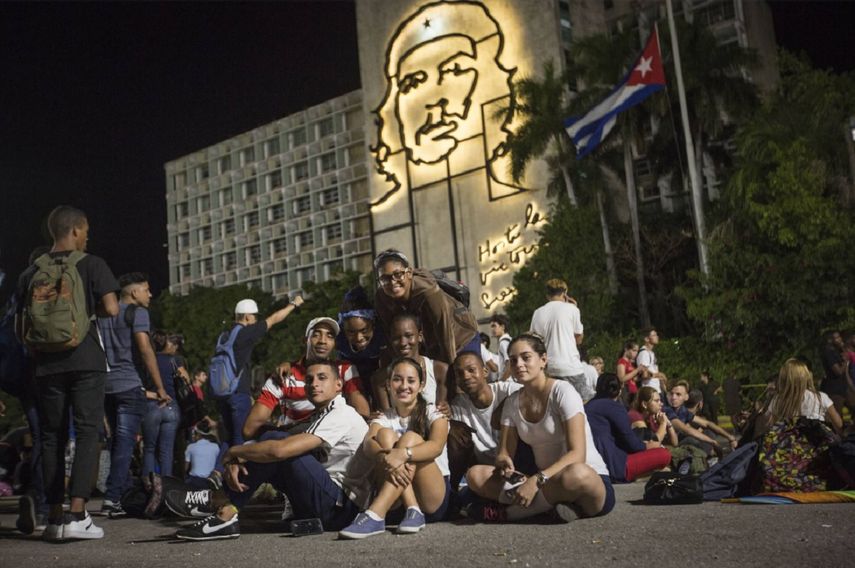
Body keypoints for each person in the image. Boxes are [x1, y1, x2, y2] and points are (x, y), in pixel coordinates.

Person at [165, 360, 372, 540]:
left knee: (278, 445)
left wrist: (234, 452)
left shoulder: (341, 414)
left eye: (322, 378)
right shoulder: (320, 416)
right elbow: (269, 440)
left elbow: (280, 450)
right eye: (309, 380)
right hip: (325, 502)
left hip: (340, 509)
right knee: (271, 438)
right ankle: (225, 509)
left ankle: (218, 502)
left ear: (338, 385)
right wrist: (240, 459)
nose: (314, 384)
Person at [15, 205, 119, 540]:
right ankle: (78, 515)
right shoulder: (92, 264)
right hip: (85, 358)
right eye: (86, 231)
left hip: (47, 365)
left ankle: (55, 517)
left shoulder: (30, 272)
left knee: (51, 436)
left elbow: (21, 324)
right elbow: (112, 308)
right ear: (75, 230)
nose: (87, 237)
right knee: (88, 432)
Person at [465, 333, 614, 522]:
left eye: (526, 357)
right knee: (475, 474)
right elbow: (504, 453)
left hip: (585, 481)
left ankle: (510, 514)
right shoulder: (511, 403)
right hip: (542, 484)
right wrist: (504, 462)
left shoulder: (563, 392)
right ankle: (549, 509)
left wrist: (537, 480)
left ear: (543, 360)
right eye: (513, 360)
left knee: (576, 474)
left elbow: (578, 455)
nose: (519, 364)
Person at [339, 357, 450, 538]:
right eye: (397, 379)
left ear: (421, 386)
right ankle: (412, 508)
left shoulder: (434, 413)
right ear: (388, 385)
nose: (404, 386)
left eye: (411, 380)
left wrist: (403, 454)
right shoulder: (383, 417)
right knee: (384, 435)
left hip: (431, 499)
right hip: (397, 505)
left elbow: (436, 447)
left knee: (410, 438)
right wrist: (386, 458)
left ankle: (376, 513)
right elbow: (368, 444)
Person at [97, 272, 170, 517]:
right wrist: (160, 387)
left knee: (115, 442)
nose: (150, 294)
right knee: (126, 443)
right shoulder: (137, 313)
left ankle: (121, 492)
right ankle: (113, 498)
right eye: (146, 289)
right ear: (134, 292)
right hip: (129, 385)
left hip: (105, 385)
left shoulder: (103, 313)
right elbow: (145, 349)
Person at [243, 317, 369, 441]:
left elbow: (362, 414)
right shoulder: (284, 376)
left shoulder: (345, 370)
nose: (323, 341)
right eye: (316, 335)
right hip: (293, 444)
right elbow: (249, 429)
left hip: (333, 443)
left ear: (334, 343)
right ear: (305, 340)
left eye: (330, 336)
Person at [214, 295, 303, 462]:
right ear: (247, 317)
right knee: (242, 438)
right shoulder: (245, 333)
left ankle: (217, 472)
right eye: (255, 316)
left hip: (222, 394)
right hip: (238, 394)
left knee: (228, 437)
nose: (256, 320)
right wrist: (293, 304)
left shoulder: (224, 336)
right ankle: (236, 473)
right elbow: (274, 319)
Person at [373, 249, 479, 366]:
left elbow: (444, 328)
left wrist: (451, 367)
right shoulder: (381, 297)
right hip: (430, 347)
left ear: (409, 273)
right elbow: (390, 334)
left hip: (460, 337)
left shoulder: (427, 291)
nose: (392, 282)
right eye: (384, 278)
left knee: (463, 372)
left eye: (398, 275)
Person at [443, 351, 525, 497]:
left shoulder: (509, 391)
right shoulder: (457, 405)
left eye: (471, 370)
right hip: (486, 472)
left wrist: (505, 407)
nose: (466, 376)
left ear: (485, 371)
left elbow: (536, 393)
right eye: (459, 374)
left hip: (517, 464)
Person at [585, 374, 671, 483]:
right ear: (619, 391)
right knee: (664, 454)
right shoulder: (615, 408)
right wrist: (648, 445)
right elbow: (633, 445)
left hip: (591, 462)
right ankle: (639, 476)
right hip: (614, 466)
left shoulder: (587, 406)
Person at [370, 313, 447, 411]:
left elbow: (443, 411)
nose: (403, 343)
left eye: (408, 336)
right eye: (396, 338)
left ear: (420, 336)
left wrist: (446, 409)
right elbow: (386, 416)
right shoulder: (381, 379)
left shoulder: (439, 370)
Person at [529, 279, 590, 401]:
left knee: (554, 406)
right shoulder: (572, 309)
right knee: (582, 404)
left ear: (547, 295)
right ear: (565, 293)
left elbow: (534, 341)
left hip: (550, 369)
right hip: (571, 367)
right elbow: (579, 339)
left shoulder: (538, 312)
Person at [141, 331, 187, 480]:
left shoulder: (146, 361)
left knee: (149, 448)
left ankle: (150, 482)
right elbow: (186, 380)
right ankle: (166, 485)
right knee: (167, 450)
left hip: (152, 404)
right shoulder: (174, 360)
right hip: (171, 405)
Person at [767, 358, 843, 435]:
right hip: (815, 440)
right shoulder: (820, 397)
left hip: (787, 441)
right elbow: (838, 424)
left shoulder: (777, 399)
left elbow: (772, 426)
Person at [666, 380, 737, 457]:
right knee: (692, 440)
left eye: (678, 394)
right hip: (667, 446)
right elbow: (686, 429)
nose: (673, 397)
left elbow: (707, 423)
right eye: (671, 394)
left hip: (677, 442)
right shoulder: (667, 410)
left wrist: (730, 437)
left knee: (708, 431)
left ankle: (706, 457)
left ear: (686, 397)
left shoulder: (683, 411)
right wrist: (713, 442)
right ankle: (704, 458)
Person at [336, 286, 385, 396]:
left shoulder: (383, 339)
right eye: (351, 332)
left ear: (373, 324)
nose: (358, 338)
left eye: (364, 330)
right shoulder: (340, 343)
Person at [820, 331, 852, 423]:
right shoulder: (828, 353)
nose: (840, 339)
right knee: (837, 419)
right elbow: (838, 371)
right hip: (835, 390)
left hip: (843, 389)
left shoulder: (837, 351)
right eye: (837, 338)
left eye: (839, 337)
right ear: (830, 340)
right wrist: (846, 361)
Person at [184, 422, 220, 490]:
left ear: (198, 434)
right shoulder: (216, 447)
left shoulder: (191, 447)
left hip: (194, 481)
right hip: (210, 481)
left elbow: (185, 468)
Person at [636, 328, 668, 394]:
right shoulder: (644, 353)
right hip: (649, 390)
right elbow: (644, 375)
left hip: (655, 389)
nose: (657, 337)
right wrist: (659, 375)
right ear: (646, 339)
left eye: (656, 335)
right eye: (654, 335)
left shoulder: (651, 353)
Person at [616, 340, 641, 404]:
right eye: (634, 350)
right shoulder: (621, 361)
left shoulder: (630, 363)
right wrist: (637, 370)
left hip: (633, 392)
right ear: (626, 349)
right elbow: (621, 378)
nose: (636, 353)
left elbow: (631, 378)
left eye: (637, 351)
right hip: (626, 392)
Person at [489, 314, 512, 381]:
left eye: (494, 326)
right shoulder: (509, 340)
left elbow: (510, 363)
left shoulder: (503, 343)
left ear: (502, 327)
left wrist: (502, 381)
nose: (492, 329)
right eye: (491, 327)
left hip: (508, 382)